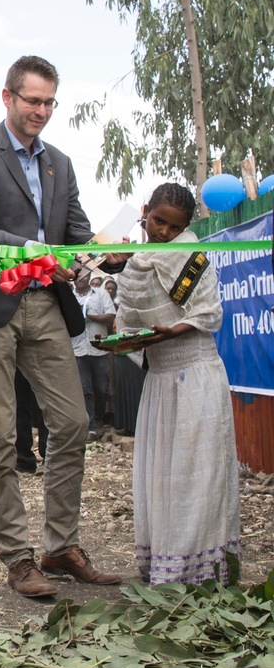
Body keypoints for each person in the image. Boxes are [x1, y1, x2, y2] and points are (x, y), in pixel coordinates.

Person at [0, 55, 122, 598]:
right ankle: (19, 558)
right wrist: (38, 251)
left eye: (49, 103)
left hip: (46, 304)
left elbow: (76, 229)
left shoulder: (60, 163)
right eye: (32, 101)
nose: (41, 111)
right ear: (7, 97)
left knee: (71, 423)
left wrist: (97, 256)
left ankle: (60, 545)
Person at [110, 183, 240, 584]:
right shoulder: (135, 260)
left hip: (196, 375)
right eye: (157, 221)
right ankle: (166, 565)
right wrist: (130, 340)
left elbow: (207, 313)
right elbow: (128, 320)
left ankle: (202, 571)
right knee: (164, 478)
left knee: (198, 477)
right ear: (145, 211)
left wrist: (167, 332)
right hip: (161, 380)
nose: (164, 232)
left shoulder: (192, 255)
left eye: (173, 226)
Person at [72, 270, 115, 438]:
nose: (80, 279)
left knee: (101, 388)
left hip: (99, 348)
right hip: (77, 349)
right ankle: (90, 426)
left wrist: (91, 317)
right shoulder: (69, 295)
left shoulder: (101, 294)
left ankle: (99, 419)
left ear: (89, 277)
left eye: (84, 276)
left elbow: (111, 316)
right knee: (85, 389)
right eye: (78, 276)